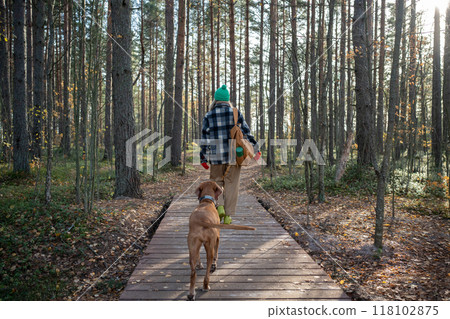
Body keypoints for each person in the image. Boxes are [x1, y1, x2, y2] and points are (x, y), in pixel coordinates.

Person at [199, 85, 261, 224]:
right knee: (232, 184)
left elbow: (204, 139)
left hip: (215, 156)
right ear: (227, 100)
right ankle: (228, 215)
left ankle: (219, 206)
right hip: (234, 155)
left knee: (216, 182)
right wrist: (256, 149)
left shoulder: (208, 115)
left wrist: (203, 157)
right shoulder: (235, 112)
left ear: (215, 100)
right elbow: (246, 132)